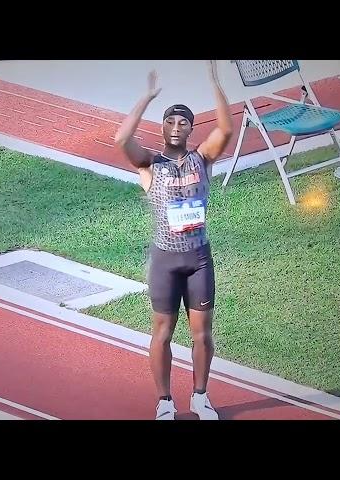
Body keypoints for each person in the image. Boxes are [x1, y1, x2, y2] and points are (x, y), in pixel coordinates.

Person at [114, 60, 233, 420]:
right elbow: (121, 140)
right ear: (162, 126)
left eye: (183, 122)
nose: (177, 127)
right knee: (162, 334)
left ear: (192, 128)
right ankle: (164, 402)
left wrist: (214, 81)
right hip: (165, 262)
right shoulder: (150, 165)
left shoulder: (203, 159)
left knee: (202, 334)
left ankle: (200, 395)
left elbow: (226, 128)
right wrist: (147, 97)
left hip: (198, 259)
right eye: (170, 121)